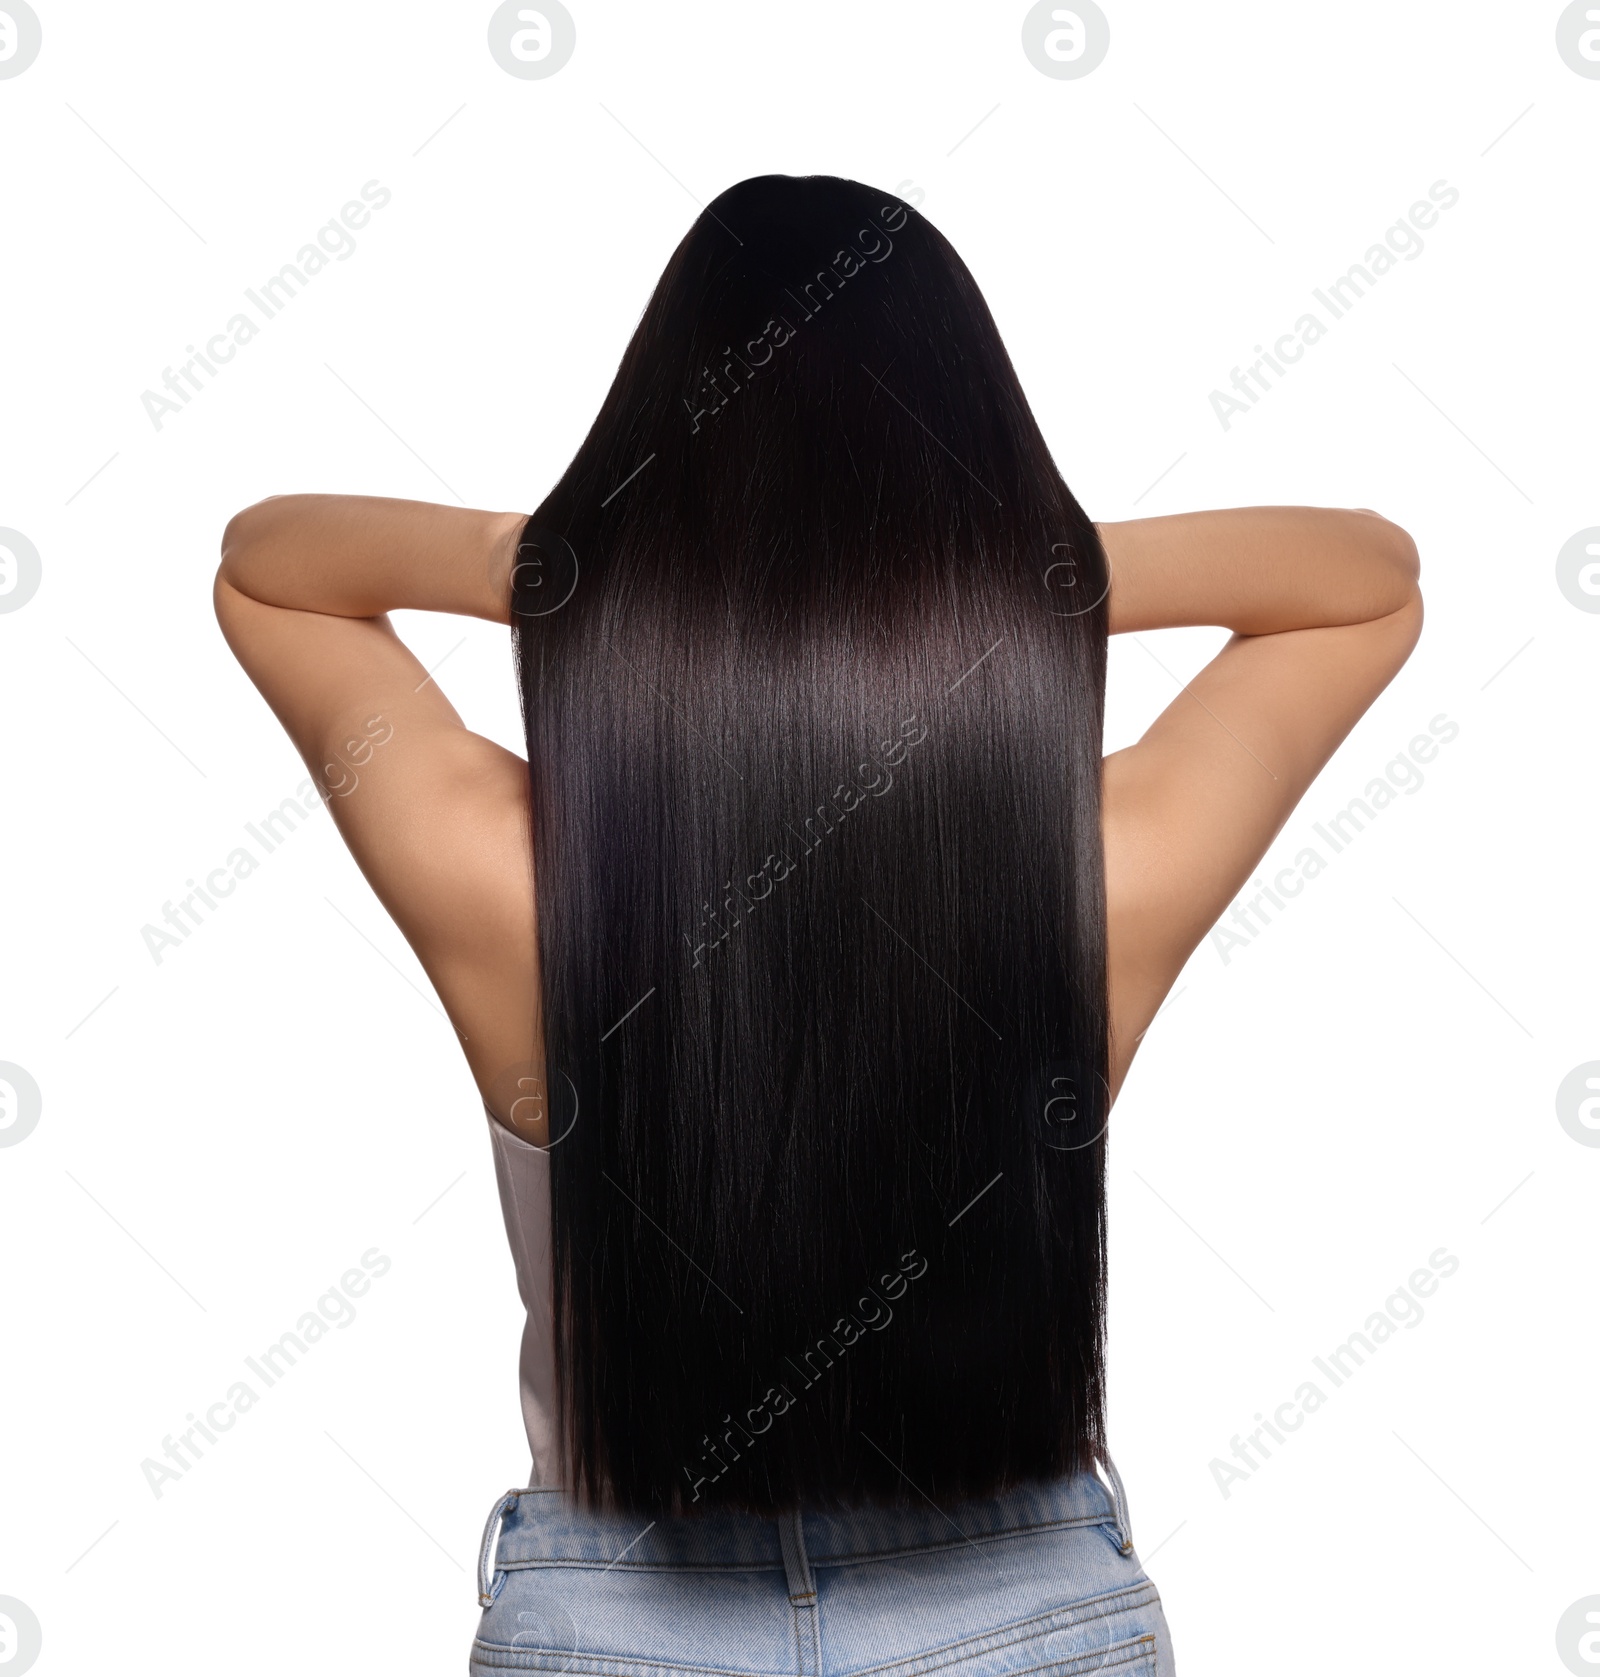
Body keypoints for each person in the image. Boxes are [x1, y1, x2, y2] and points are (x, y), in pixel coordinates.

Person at [214, 175, 1421, 1675]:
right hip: (1018, 1616)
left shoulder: (505, 873)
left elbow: (269, 567)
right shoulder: (1099, 868)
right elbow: (1367, 582)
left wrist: (575, 562)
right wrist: (1018, 567)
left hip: (620, 1623)